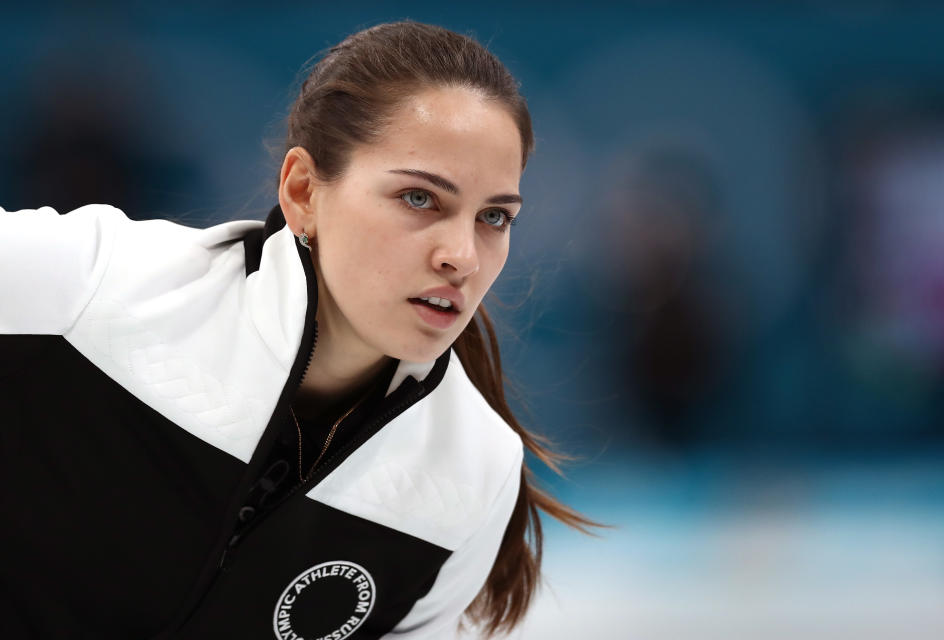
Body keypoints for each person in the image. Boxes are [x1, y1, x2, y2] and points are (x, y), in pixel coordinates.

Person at [0, 20, 597, 639]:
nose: (462, 256)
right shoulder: (95, 285)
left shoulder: (475, 473)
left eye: (494, 217)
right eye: (420, 199)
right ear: (303, 190)